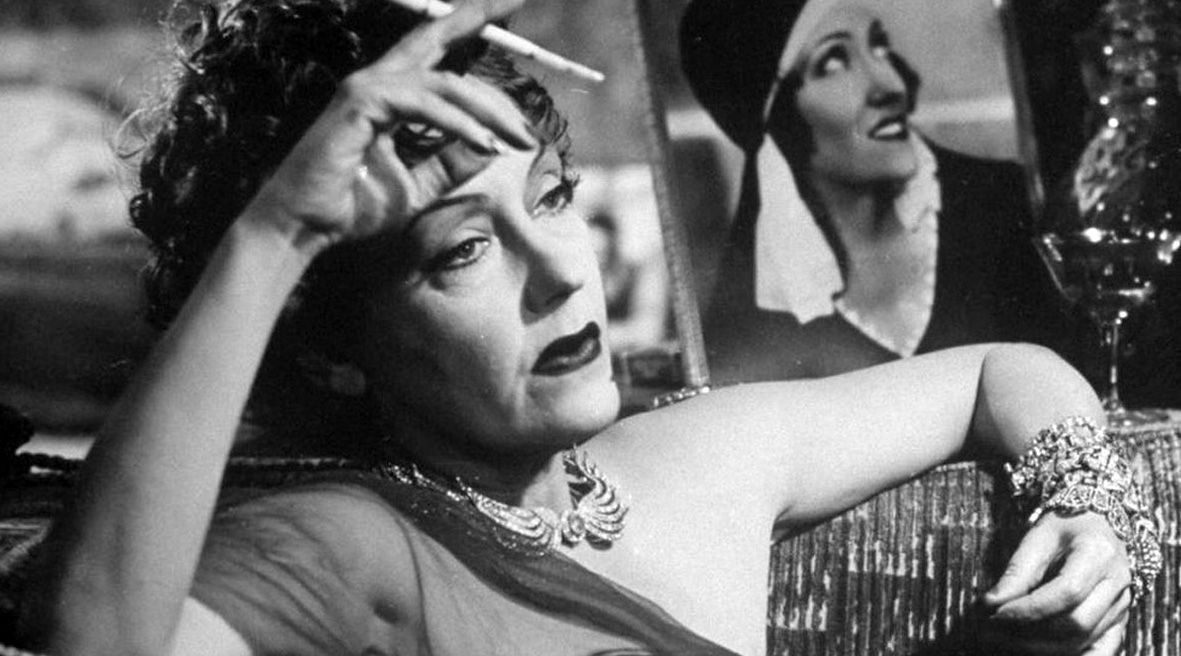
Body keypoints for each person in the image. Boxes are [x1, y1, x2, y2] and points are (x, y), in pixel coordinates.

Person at [10, 0, 1154, 654]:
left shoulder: (698, 458)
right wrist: (275, 234)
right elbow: (96, 639)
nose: (564, 272)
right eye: (464, 250)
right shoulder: (348, 544)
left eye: (551, 199)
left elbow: (999, 369)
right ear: (327, 349)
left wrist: (1087, 503)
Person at [680, 0, 1082, 384]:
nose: (893, 86)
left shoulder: (1010, 206)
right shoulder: (761, 306)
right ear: (776, 121)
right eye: (833, 62)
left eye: (880, 47)